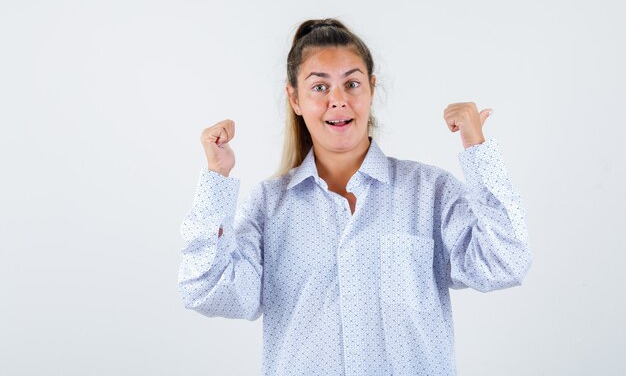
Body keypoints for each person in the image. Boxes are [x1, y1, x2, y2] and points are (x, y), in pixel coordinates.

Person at [177, 18, 532, 376]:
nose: (338, 101)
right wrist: (216, 179)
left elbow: (505, 263)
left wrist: (478, 149)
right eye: (319, 87)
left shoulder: (430, 192)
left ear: (371, 89)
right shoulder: (269, 206)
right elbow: (206, 289)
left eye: (352, 83)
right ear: (294, 98)